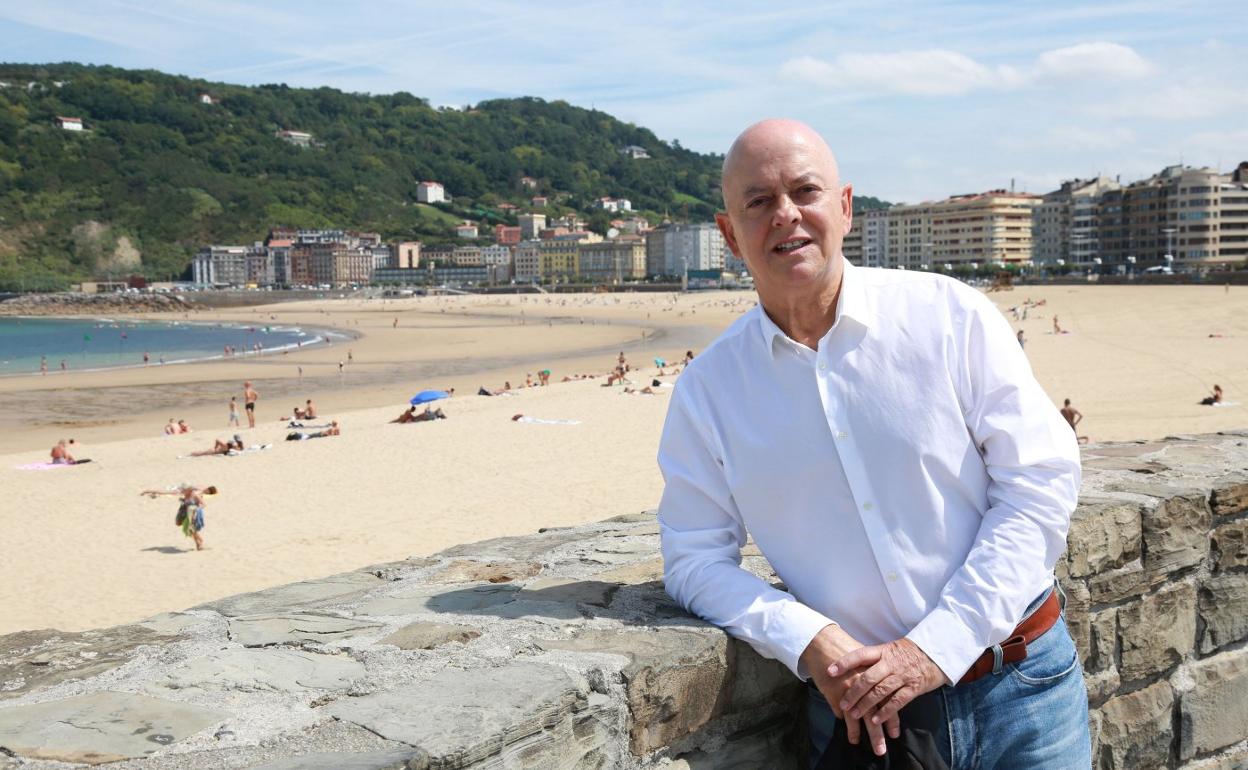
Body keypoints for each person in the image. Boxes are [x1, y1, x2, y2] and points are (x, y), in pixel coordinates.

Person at [657, 120, 1086, 768]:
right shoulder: (709, 391)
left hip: (1023, 693)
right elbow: (692, 557)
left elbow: (1040, 482)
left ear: (845, 206)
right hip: (865, 722)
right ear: (728, 233)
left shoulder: (948, 316)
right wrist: (806, 639)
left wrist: (934, 647)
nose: (786, 215)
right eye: (760, 201)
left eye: (805, 191)